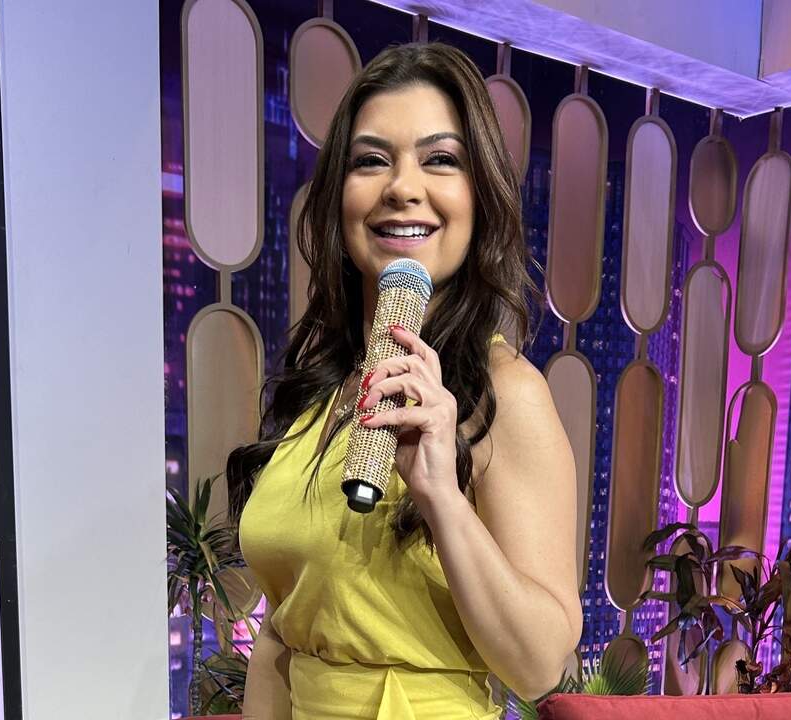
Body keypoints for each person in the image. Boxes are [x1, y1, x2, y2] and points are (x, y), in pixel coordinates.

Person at [228, 41, 580, 719]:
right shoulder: (320, 390)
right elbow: (282, 634)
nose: (402, 187)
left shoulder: (506, 392)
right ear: (338, 196)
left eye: (440, 159)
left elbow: (540, 665)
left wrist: (442, 497)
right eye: (371, 160)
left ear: (480, 196)